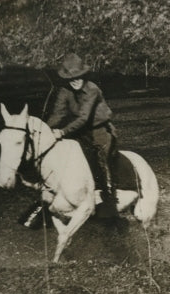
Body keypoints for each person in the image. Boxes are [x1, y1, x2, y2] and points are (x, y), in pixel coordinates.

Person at [46, 52, 118, 217]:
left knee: (100, 160)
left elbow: (84, 118)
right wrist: (45, 130)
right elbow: (58, 114)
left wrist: (62, 131)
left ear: (84, 75)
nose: (75, 81)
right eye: (71, 78)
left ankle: (108, 199)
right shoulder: (65, 91)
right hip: (80, 131)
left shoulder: (92, 89)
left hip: (99, 130)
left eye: (78, 76)